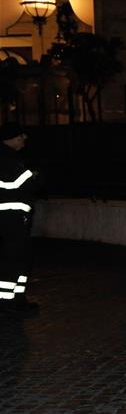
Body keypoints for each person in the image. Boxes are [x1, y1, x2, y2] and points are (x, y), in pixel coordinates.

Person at [0, 122, 39, 316]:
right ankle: (8, 302)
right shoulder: (7, 160)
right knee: (13, 259)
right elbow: (17, 184)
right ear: (11, 138)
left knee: (21, 259)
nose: (25, 139)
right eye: (21, 136)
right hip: (10, 218)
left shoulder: (12, 158)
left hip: (15, 217)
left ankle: (18, 299)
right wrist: (32, 176)